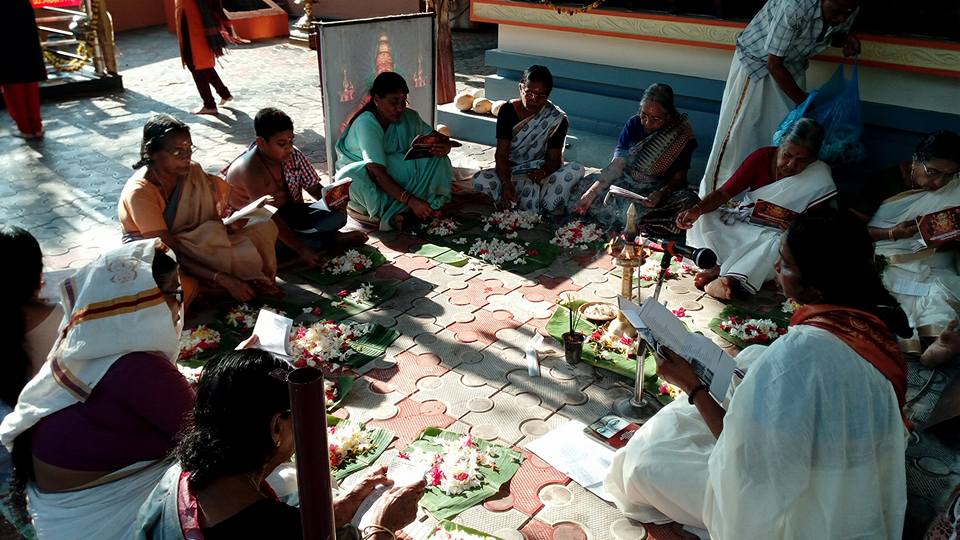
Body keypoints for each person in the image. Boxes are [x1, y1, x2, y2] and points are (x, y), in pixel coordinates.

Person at [605, 210, 911, 538]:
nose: (777, 269)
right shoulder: (864, 319)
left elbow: (749, 465)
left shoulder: (801, 355)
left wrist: (692, 386)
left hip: (803, 511)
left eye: (787, 264)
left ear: (818, 286)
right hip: (850, 477)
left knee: (642, 464)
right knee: (752, 357)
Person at [0, 240, 196, 540]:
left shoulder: (84, 348)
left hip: (58, 516)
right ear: (142, 301)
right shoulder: (138, 367)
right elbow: (207, 433)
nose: (178, 304)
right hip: (100, 521)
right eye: (173, 293)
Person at [135, 349, 426, 539]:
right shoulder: (273, 528)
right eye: (300, 416)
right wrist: (382, 526)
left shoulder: (180, 476)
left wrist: (339, 509)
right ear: (277, 427)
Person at [118, 114, 280, 311]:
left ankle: (221, 286)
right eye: (178, 152)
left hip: (195, 242)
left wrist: (232, 223)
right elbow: (168, 252)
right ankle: (213, 288)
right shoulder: (140, 192)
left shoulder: (192, 171)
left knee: (262, 228)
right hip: (156, 255)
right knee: (177, 287)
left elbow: (210, 219)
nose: (187, 157)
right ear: (152, 153)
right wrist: (223, 278)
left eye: (189, 149)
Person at [699, 0, 860, 196]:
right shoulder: (794, 7)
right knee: (742, 136)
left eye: (847, 13)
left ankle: (765, 202)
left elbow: (821, 35)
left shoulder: (847, 7)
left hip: (793, 68)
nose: (843, 18)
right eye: (836, 11)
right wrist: (805, 103)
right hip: (757, 67)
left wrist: (844, 40)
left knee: (783, 142)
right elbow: (773, 64)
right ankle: (717, 200)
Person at [679, 118, 835, 300]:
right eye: (787, 155)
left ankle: (731, 279)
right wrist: (696, 210)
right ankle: (719, 268)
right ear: (780, 144)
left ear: (813, 159)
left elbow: (818, 227)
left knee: (778, 245)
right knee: (705, 216)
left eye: (801, 161)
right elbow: (723, 193)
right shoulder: (762, 157)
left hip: (773, 236)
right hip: (743, 223)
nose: (791, 165)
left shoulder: (819, 177)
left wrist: (795, 228)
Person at [849, 130, 960, 368]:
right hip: (891, 258)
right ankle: (924, 341)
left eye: (949, 176)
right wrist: (892, 233)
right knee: (892, 293)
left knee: (939, 293)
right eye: (933, 172)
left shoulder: (956, 188)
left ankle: (938, 342)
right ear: (915, 159)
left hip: (937, 263)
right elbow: (849, 229)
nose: (940, 183)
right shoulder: (884, 181)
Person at [224, 108, 367, 266]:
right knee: (264, 244)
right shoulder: (249, 169)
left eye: (291, 141)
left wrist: (334, 201)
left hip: (290, 215)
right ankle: (324, 241)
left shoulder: (293, 155)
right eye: (282, 144)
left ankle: (314, 242)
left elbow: (314, 188)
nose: (289, 148)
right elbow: (269, 216)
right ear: (261, 143)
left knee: (337, 217)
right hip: (256, 226)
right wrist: (302, 250)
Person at [570, 83, 699, 236]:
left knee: (689, 201)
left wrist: (661, 193)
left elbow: (680, 179)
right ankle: (636, 223)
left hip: (656, 191)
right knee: (585, 187)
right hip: (627, 184)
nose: (647, 123)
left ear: (669, 116)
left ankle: (639, 222)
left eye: (655, 119)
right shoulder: (634, 124)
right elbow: (616, 166)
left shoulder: (681, 135)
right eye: (644, 115)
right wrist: (591, 193)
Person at [337, 72, 454, 231]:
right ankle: (392, 212)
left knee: (438, 159)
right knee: (348, 177)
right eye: (394, 102)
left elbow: (438, 138)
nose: (400, 108)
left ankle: (425, 206)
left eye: (403, 101)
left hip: (393, 171)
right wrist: (411, 200)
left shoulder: (409, 116)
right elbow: (376, 172)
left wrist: (444, 146)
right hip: (368, 177)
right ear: (377, 100)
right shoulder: (366, 123)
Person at [473, 65, 585, 213]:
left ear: (548, 95)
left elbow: (554, 160)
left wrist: (543, 172)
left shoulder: (557, 119)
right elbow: (501, 154)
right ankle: (530, 203)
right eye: (529, 93)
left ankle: (531, 203)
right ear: (521, 88)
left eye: (541, 96)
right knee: (479, 179)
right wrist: (506, 183)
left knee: (576, 169)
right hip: (511, 173)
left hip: (538, 175)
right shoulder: (507, 111)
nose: (534, 99)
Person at [176, 0, 238, 115]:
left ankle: (209, 105)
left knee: (195, 66)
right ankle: (224, 94)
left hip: (194, 30)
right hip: (197, 29)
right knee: (203, 65)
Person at [1, 0, 46, 139]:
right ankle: (36, 127)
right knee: (31, 85)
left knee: (13, 88)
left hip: (6, 46)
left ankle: (25, 128)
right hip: (27, 43)